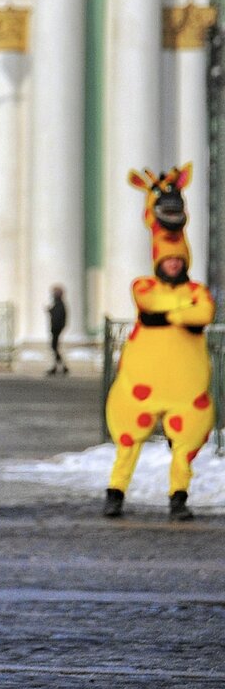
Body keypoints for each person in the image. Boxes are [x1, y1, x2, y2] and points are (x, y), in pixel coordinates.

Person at [104, 163, 215, 521]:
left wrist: (173, 313)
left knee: (184, 446)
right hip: (143, 384)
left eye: (176, 261)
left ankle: (178, 498)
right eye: (166, 260)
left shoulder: (199, 291)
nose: (171, 265)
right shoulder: (145, 286)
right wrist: (182, 310)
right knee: (128, 442)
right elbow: (152, 305)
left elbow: (203, 315)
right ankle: (116, 493)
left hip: (186, 387)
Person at [46, 285, 68, 375]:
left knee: (54, 347)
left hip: (56, 328)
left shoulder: (60, 303)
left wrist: (51, 311)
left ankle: (61, 366)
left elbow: (58, 316)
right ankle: (59, 367)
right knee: (54, 347)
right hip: (56, 328)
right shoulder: (58, 303)